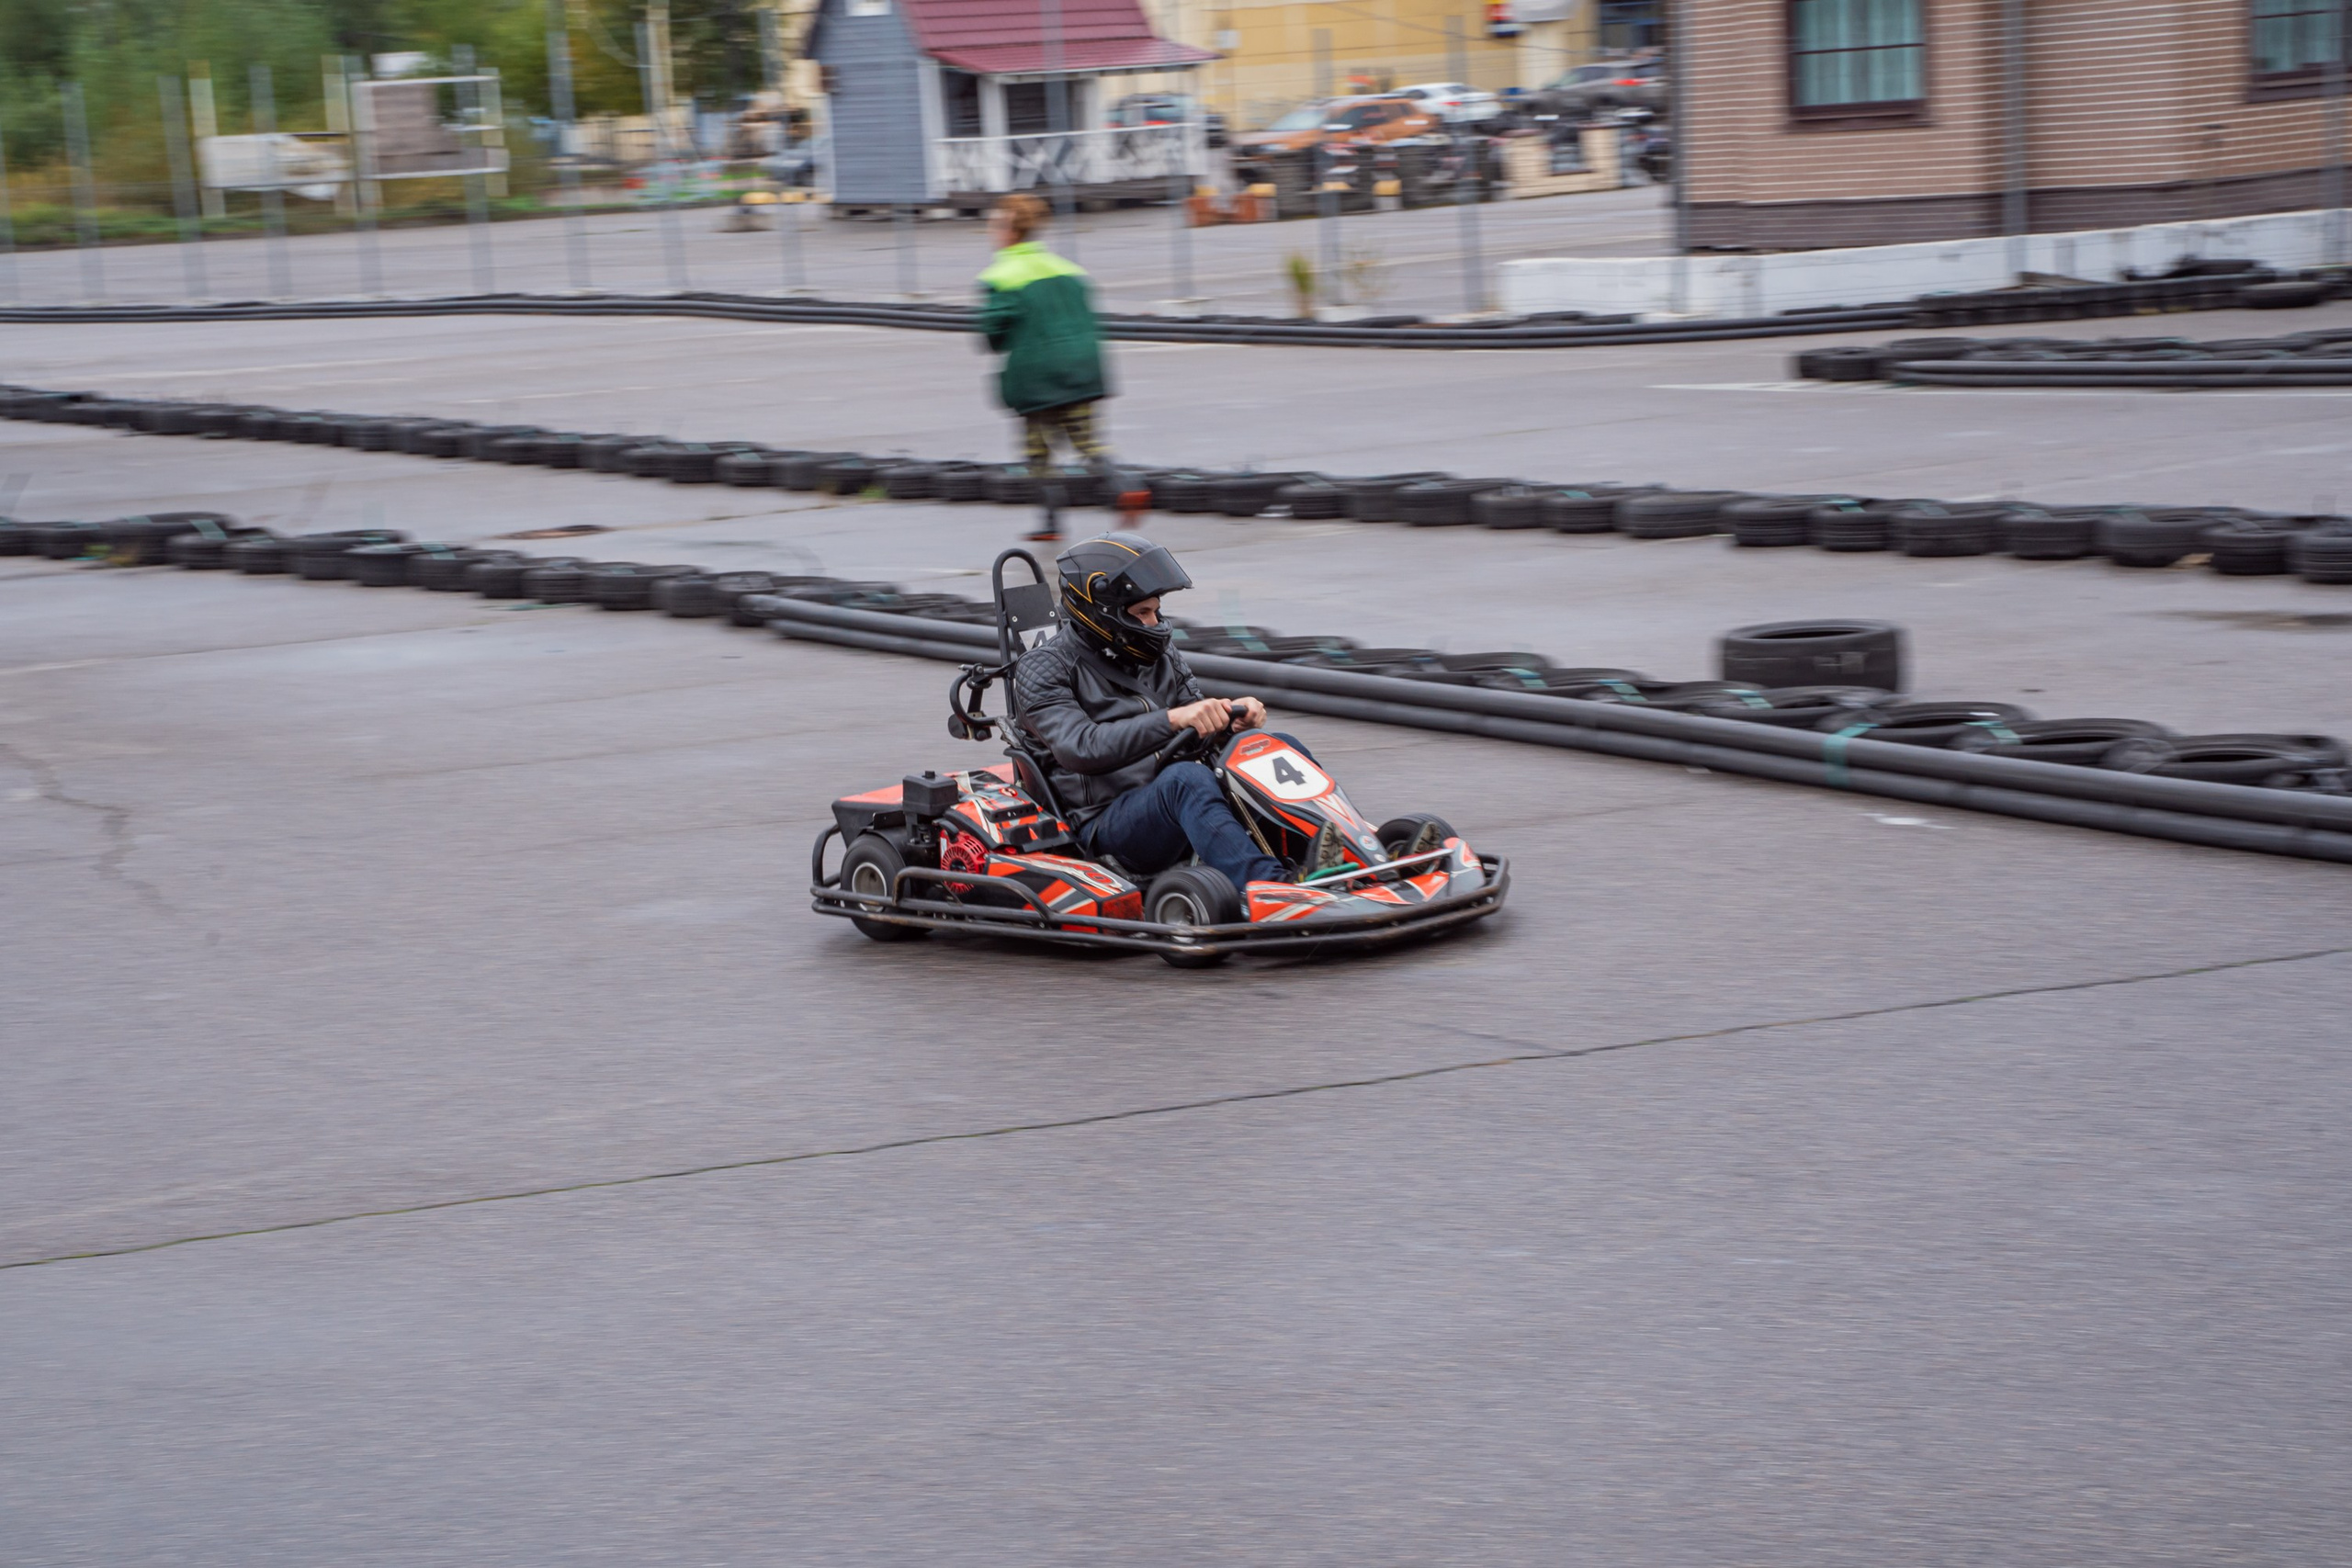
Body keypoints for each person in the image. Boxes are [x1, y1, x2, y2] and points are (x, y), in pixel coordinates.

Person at [1013, 535, 1308, 896]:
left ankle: (1324, 863)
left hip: (1174, 799)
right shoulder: (1043, 668)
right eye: (1142, 613)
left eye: (1155, 610)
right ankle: (1272, 888)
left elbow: (1196, 731)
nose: (1154, 623)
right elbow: (1080, 748)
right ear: (1102, 611)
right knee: (1185, 780)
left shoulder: (1159, 654)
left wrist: (1230, 724)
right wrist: (1173, 719)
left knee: (1274, 747)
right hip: (1107, 823)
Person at [977, 193, 1143, 544]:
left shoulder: (1000, 276)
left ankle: (1050, 522)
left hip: (1037, 377)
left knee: (1038, 452)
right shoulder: (1070, 270)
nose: (991, 232)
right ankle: (1126, 485)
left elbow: (993, 333)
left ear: (1009, 230)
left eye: (994, 226)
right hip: (1082, 370)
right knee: (1088, 443)